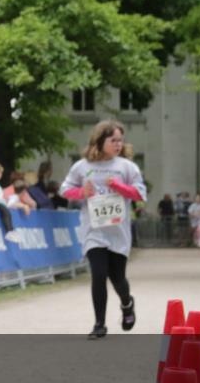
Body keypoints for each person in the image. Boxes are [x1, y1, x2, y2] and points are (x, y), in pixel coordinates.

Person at [60, 120, 145, 340]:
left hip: (118, 232)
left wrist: (119, 186)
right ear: (100, 140)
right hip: (93, 231)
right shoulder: (82, 166)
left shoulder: (126, 167)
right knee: (98, 274)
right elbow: (65, 190)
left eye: (120, 140)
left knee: (118, 278)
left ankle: (127, 304)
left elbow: (139, 195)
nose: (118, 144)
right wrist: (82, 192)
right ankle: (100, 324)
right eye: (113, 140)